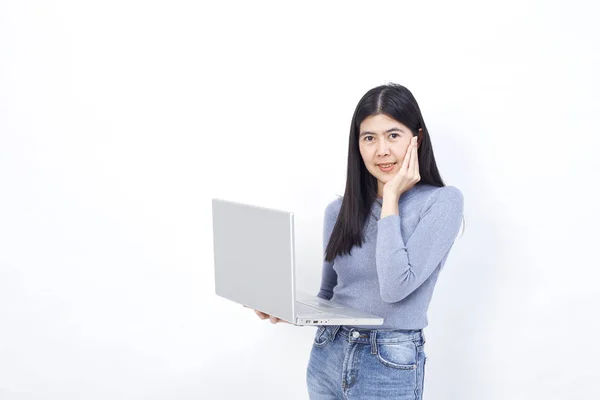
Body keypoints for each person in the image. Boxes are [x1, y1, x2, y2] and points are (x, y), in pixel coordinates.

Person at [252, 83, 464, 399]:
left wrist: (390, 196)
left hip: (388, 360)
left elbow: (394, 288)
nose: (382, 150)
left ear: (416, 139)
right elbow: (330, 296)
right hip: (328, 353)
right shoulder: (338, 211)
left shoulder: (442, 203)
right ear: (358, 145)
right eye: (369, 138)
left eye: (393, 135)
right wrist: (293, 313)